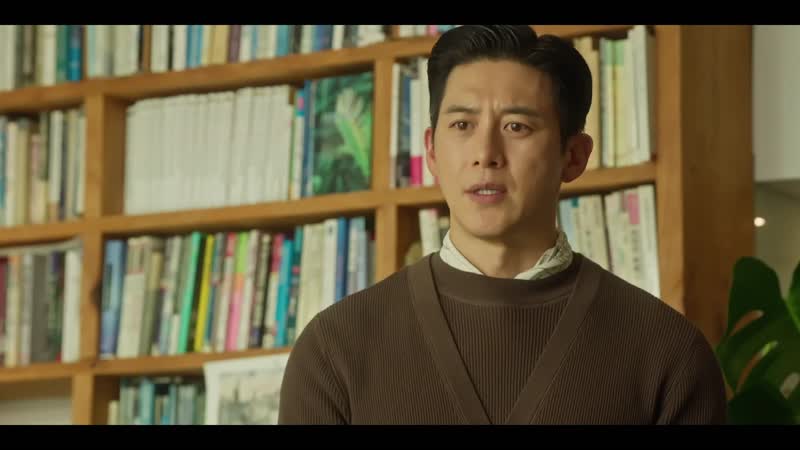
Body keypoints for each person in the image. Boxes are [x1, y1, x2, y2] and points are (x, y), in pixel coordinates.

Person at [278, 25, 727, 425]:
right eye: (462, 124)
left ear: (574, 156)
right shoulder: (335, 349)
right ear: (431, 151)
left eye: (516, 127)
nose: (485, 153)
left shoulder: (667, 353)